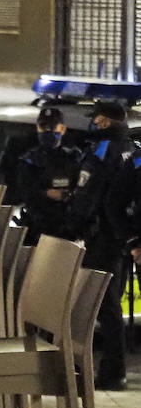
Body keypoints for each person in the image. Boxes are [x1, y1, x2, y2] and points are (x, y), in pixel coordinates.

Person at [72, 100, 135, 390]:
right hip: (123, 239)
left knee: (98, 304)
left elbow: (89, 196)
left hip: (101, 238)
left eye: (96, 119)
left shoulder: (101, 150)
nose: (93, 123)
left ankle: (106, 371)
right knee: (111, 305)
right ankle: (114, 369)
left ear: (105, 121)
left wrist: (74, 224)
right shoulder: (134, 151)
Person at [14, 105, 81, 245]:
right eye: (43, 127)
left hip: (67, 229)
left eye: (52, 127)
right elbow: (24, 192)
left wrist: (69, 196)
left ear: (62, 129)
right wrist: (45, 194)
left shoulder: (74, 158)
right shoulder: (29, 160)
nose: (47, 131)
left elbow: (86, 191)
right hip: (36, 229)